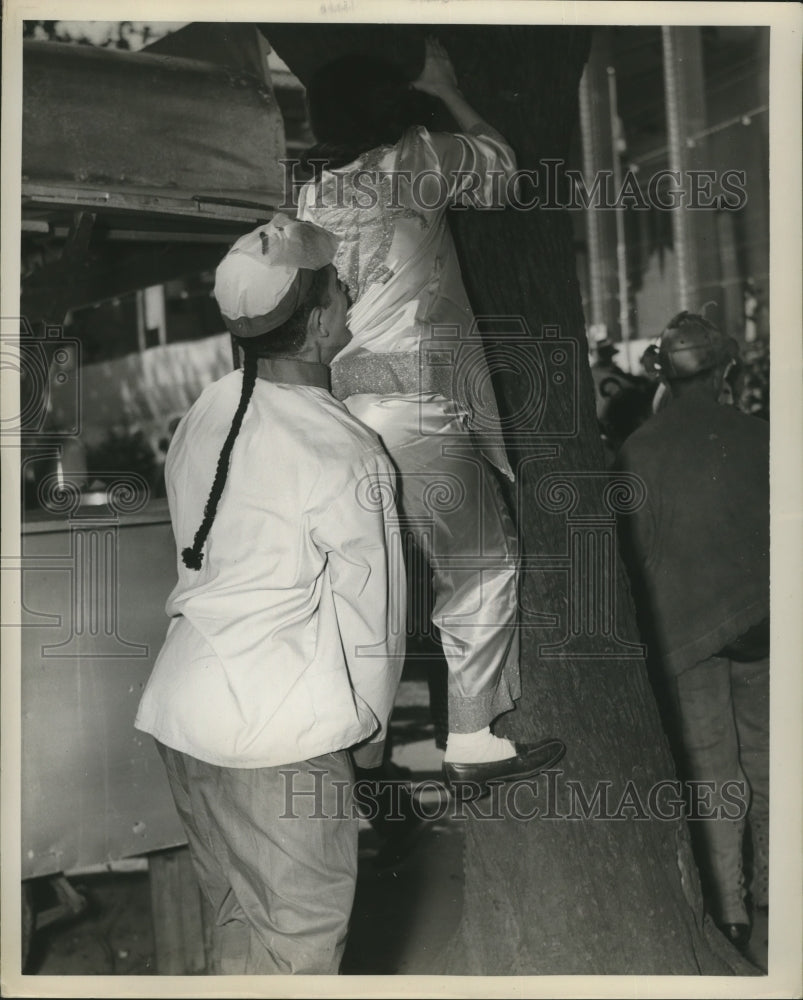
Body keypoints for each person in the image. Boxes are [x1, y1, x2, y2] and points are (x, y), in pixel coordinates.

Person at [135, 214, 406, 974]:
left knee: (237, 929)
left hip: (185, 714)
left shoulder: (206, 409)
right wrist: (372, 733)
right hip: (279, 740)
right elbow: (372, 619)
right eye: (341, 287)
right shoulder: (343, 447)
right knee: (301, 953)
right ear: (319, 320)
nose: (351, 296)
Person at [296, 36, 564, 795]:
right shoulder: (417, 157)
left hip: (344, 410)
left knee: (372, 588)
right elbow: (504, 171)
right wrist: (445, 89)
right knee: (482, 566)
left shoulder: (315, 195)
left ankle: (362, 752)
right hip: (421, 406)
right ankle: (473, 740)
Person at [617, 311, 769, 952]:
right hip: (763, 627)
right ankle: (776, 888)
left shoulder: (637, 450)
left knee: (712, 770)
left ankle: (731, 910)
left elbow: (636, 555)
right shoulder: (760, 436)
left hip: (686, 635)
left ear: (664, 376)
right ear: (724, 370)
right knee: (770, 758)